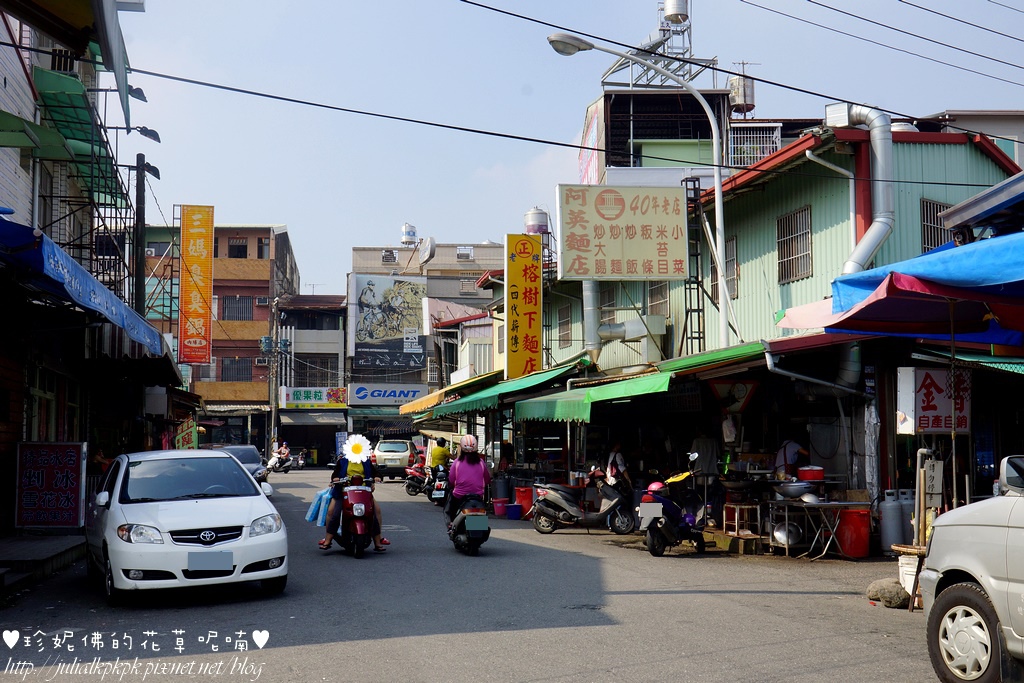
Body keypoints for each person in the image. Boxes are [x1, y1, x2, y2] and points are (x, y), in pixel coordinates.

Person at [319, 451, 389, 552]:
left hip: (364, 492)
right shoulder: (342, 462)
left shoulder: (366, 462)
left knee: (375, 512)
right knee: (332, 512)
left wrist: (377, 478)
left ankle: (378, 541)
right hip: (344, 492)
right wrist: (335, 479)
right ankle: (328, 539)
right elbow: (335, 474)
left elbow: (376, 473)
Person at [444, 435, 491, 532]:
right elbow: (487, 480)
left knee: (448, 510)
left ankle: (451, 525)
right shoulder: (481, 463)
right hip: (478, 497)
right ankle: (478, 527)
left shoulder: (456, 463)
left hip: (459, 496)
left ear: (461, 448)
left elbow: (451, 481)